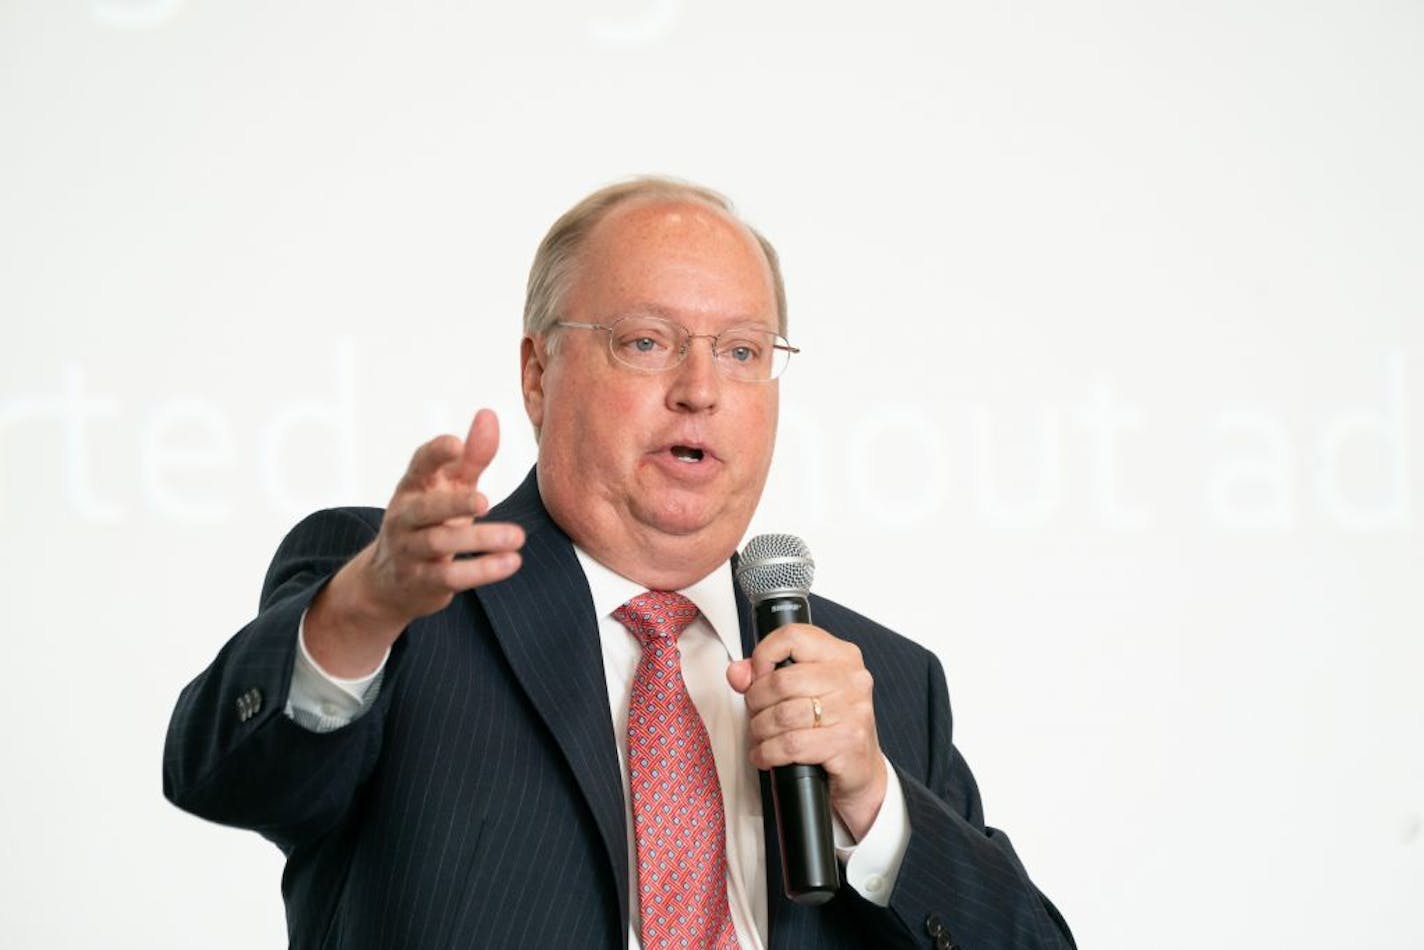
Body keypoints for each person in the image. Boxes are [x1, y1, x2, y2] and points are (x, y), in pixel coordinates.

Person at [164, 177, 1075, 950]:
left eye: (743, 352)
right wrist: (364, 608)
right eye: (647, 341)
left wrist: (878, 808)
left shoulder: (881, 685)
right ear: (537, 373)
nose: (701, 389)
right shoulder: (402, 599)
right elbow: (224, 774)